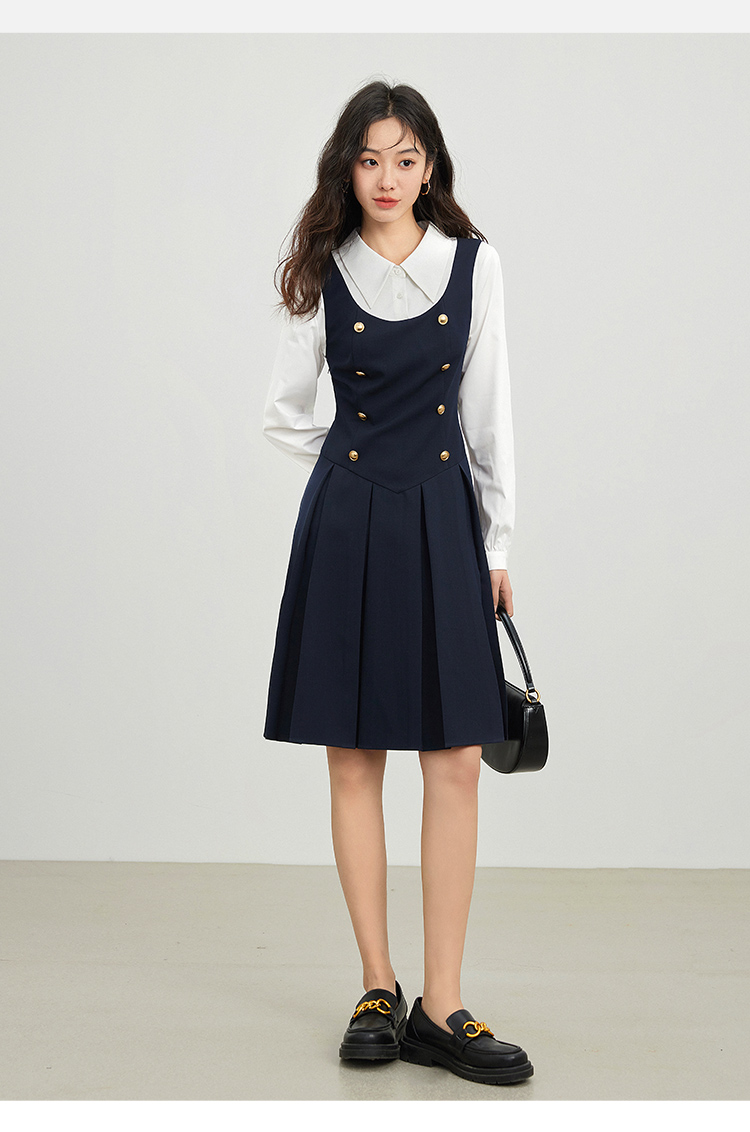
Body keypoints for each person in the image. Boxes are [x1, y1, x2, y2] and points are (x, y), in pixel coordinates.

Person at [261, 79, 533, 1087]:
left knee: (456, 758)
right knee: (354, 754)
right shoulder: (324, 267)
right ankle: (377, 984)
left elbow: (491, 409)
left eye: (404, 159)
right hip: (349, 520)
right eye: (369, 158)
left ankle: (442, 1003)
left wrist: (497, 545)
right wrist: (354, 470)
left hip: (446, 521)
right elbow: (286, 411)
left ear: (430, 168)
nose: (386, 177)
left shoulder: (474, 263)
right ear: (349, 166)